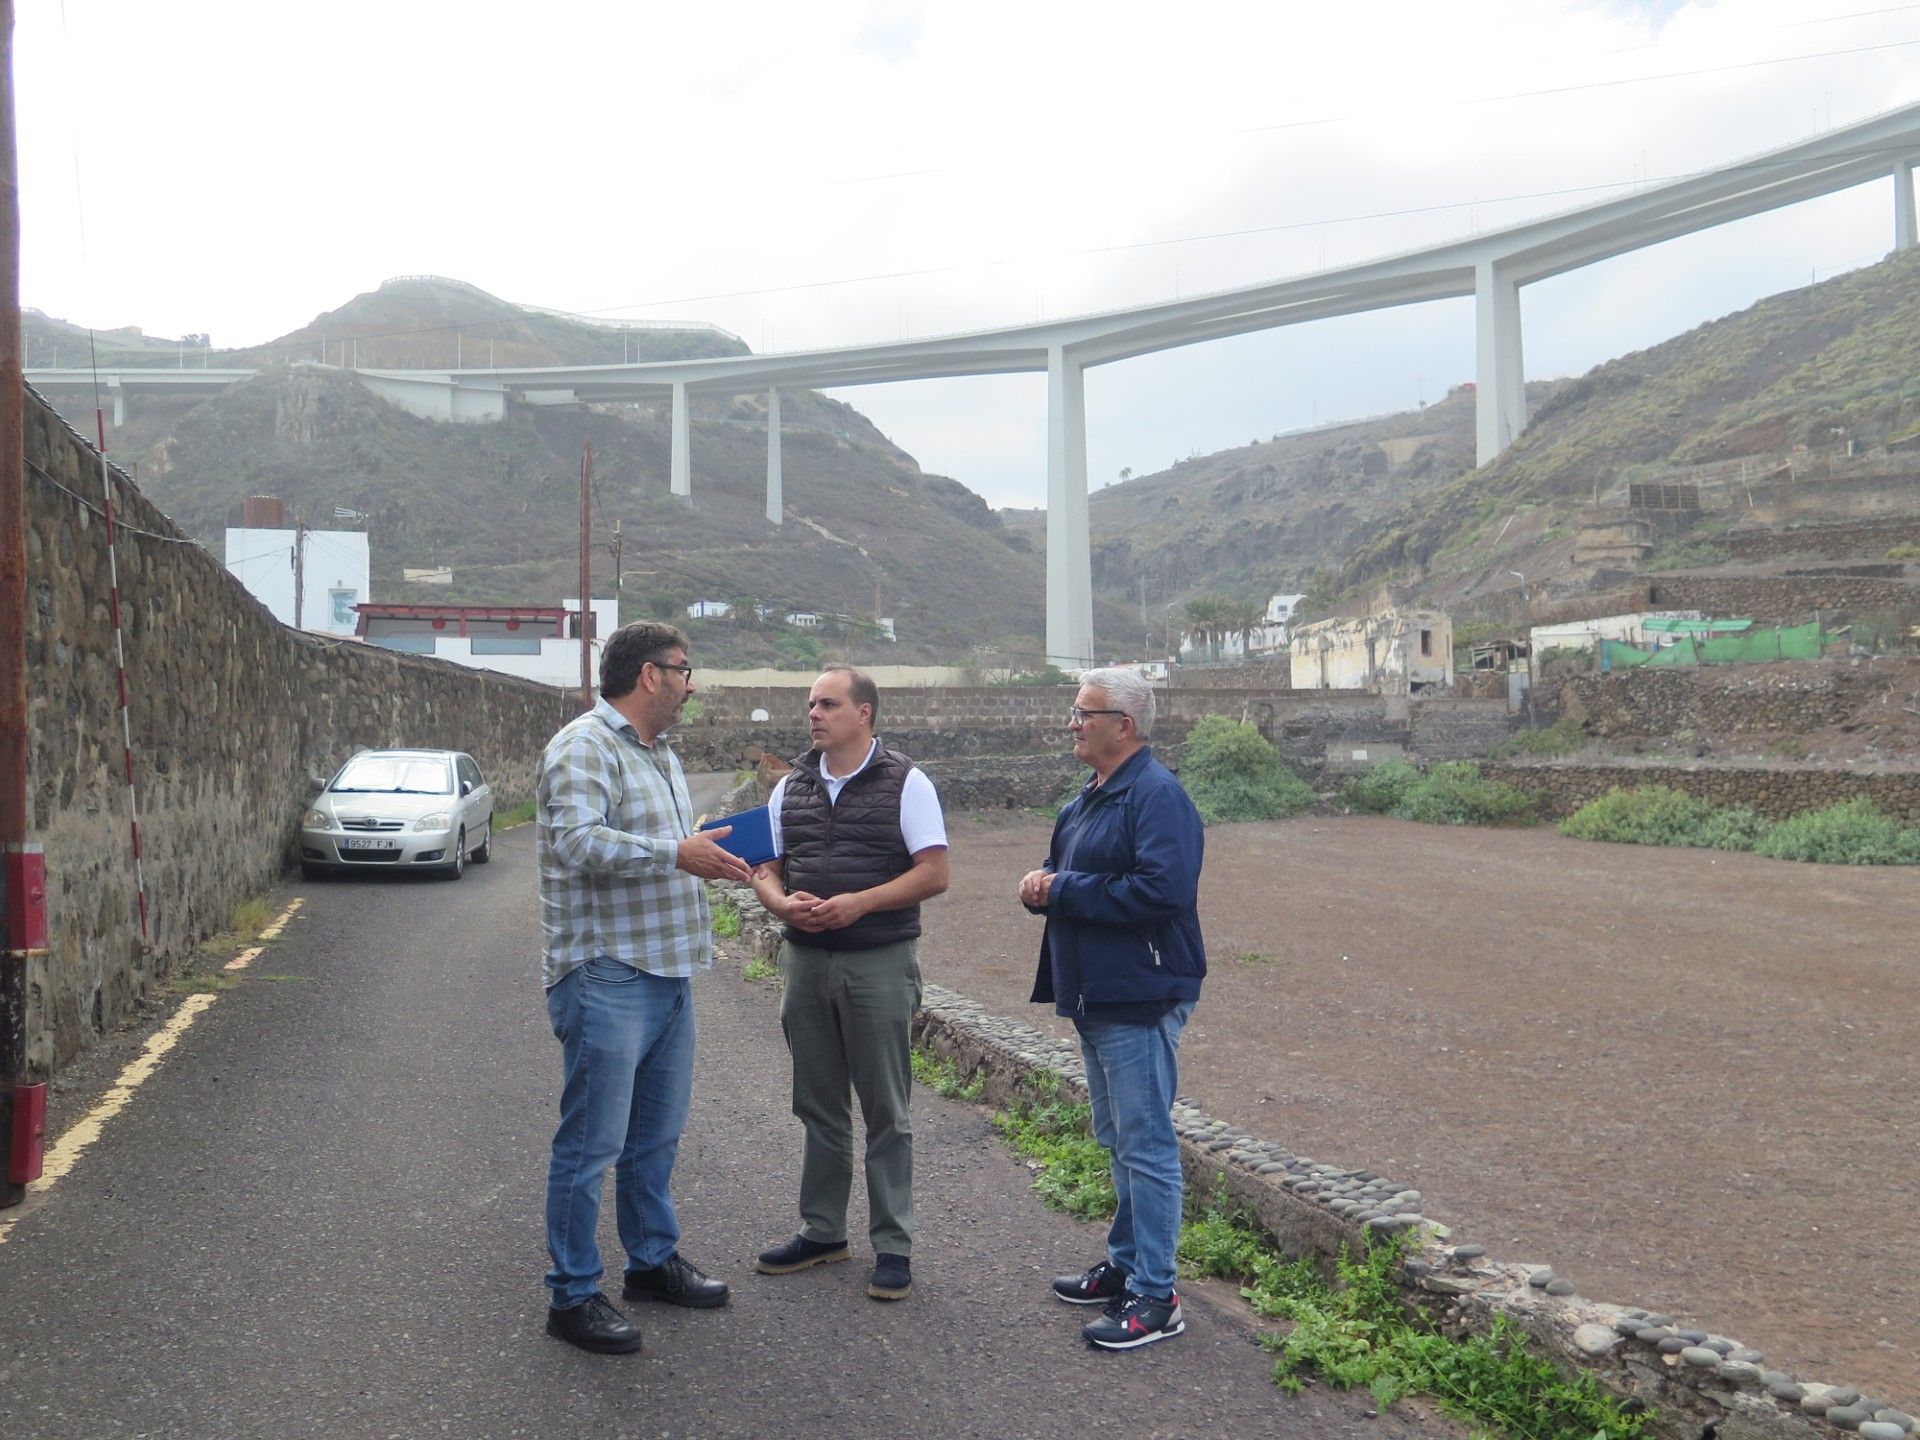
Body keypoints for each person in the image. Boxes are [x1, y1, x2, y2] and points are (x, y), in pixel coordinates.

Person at [537, 621, 754, 1355]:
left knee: (654, 1139)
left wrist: (712, 855)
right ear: (650, 675)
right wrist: (676, 852)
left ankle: (651, 1263)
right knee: (592, 1144)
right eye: (684, 670)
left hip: (668, 970)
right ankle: (571, 1296)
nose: (692, 684)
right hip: (607, 972)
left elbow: (673, 855)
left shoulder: (661, 754)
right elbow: (578, 842)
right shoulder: (583, 746)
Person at [1018, 666, 1206, 1350]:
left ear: (1122, 726)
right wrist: (1046, 883)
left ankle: (1157, 1296)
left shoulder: (1156, 796)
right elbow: (1075, 873)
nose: (1072, 721)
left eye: (1083, 711)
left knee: (1146, 1147)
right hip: (1098, 996)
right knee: (1119, 1141)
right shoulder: (1091, 797)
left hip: (1139, 995)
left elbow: (1162, 890)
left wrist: (1062, 889)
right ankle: (1128, 1265)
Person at [750, 665, 949, 1302]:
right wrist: (779, 906)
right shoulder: (791, 787)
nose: (813, 714)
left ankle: (893, 1244)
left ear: (863, 713)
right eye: (810, 704)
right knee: (818, 1102)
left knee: (887, 1109)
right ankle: (823, 1230)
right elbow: (766, 866)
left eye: (827, 704)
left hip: (878, 961)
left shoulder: (907, 782)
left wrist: (860, 904)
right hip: (806, 961)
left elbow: (934, 873)